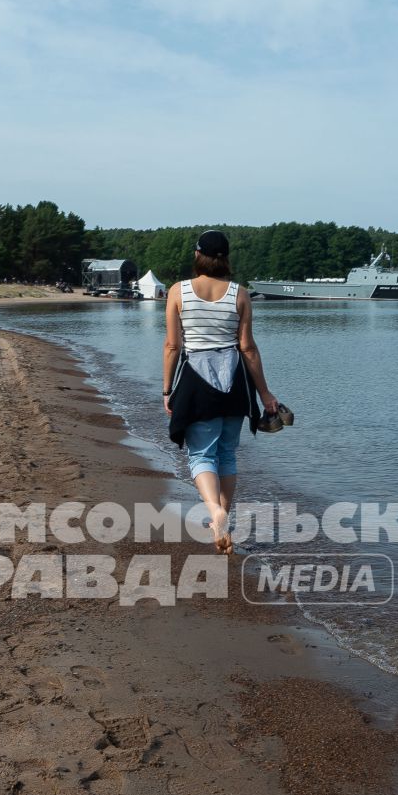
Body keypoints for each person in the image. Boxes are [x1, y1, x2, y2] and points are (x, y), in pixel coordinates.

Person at [162, 229, 280, 553]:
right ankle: (223, 516)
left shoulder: (178, 291)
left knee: (202, 455)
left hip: (197, 384)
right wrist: (265, 395)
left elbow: (173, 345)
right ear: (225, 258)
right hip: (235, 384)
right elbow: (248, 348)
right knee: (226, 454)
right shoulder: (239, 294)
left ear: (197, 255)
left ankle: (215, 512)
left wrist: (167, 389)